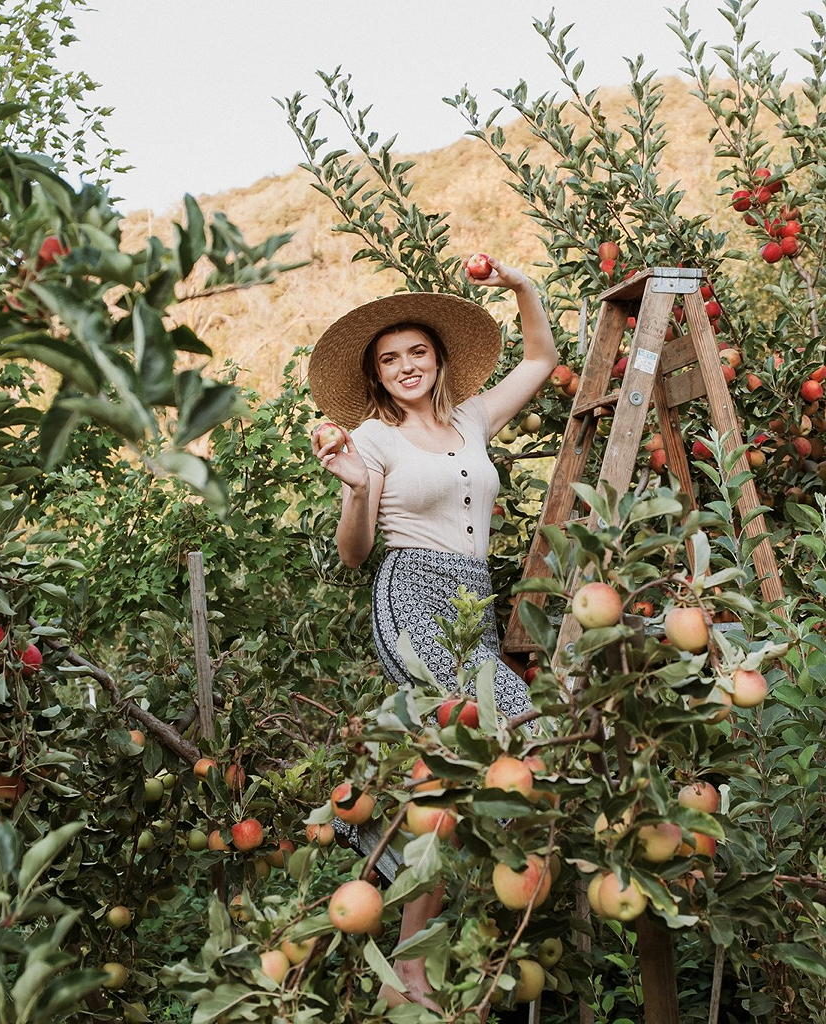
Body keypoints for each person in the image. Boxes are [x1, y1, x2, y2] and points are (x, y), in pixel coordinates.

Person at [308, 259, 559, 1010]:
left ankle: (419, 930)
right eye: (389, 360)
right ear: (376, 377)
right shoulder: (372, 440)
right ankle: (413, 958)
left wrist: (519, 285)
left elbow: (544, 359)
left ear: (439, 358)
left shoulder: (474, 418)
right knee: (488, 743)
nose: (406, 366)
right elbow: (357, 554)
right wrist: (355, 489)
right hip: (411, 594)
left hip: (471, 607)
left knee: (499, 749)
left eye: (416, 352)